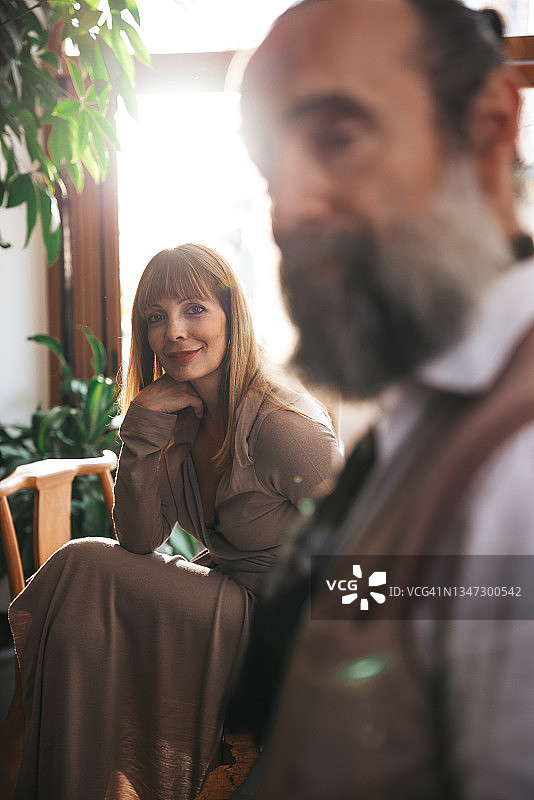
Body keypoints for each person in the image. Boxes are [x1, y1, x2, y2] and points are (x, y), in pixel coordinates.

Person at [228, 1, 534, 798]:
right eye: (270, 170)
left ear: (490, 130)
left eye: (337, 139)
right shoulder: (427, 409)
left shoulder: (521, 470)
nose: (288, 209)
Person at [7, 243, 340, 800]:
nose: (175, 332)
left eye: (195, 309)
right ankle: (72, 775)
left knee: (80, 566)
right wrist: (139, 433)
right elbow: (138, 539)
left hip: (280, 627)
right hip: (224, 597)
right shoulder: (179, 414)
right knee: (83, 583)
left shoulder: (283, 427)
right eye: (156, 317)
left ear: (231, 315)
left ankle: (44, 770)